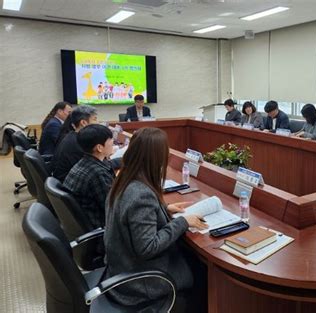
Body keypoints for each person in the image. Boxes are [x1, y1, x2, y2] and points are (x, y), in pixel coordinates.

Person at [104, 127, 208, 312]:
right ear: (155, 158)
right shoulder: (141, 195)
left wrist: (164, 209)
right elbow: (147, 247)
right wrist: (183, 222)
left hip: (122, 265)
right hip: (140, 280)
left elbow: (131, 217)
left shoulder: (124, 179)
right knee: (204, 271)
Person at [63, 124, 115, 230]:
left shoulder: (83, 162)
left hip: (84, 224)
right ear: (99, 148)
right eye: (110, 139)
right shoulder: (98, 174)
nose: (112, 142)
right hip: (102, 228)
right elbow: (114, 208)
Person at [52, 105, 98, 181]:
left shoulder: (72, 136)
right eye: (95, 119)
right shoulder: (78, 143)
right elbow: (95, 167)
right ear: (83, 123)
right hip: (69, 186)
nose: (98, 123)